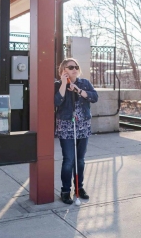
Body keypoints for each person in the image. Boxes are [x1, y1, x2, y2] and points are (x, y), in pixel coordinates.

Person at [54, 58, 98, 204]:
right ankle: (65, 190)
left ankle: (79, 188)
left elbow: (94, 97)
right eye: (70, 67)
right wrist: (63, 84)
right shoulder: (57, 85)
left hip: (83, 126)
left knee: (80, 160)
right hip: (66, 126)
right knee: (68, 160)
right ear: (63, 70)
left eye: (76, 66)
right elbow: (56, 102)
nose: (74, 69)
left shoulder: (84, 83)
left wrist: (77, 89)